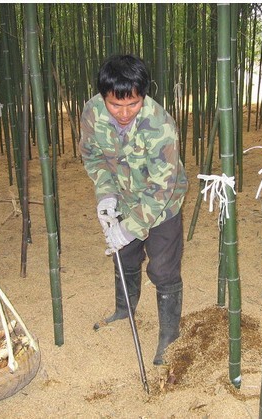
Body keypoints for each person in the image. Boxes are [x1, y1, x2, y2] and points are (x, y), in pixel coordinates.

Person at [79, 54, 188, 365]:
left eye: (133, 104)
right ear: (104, 96)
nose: (124, 113)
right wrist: (106, 195)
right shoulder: (92, 113)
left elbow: (161, 188)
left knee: (163, 268)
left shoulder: (160, 126)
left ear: (144, 94)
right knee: (124, 255)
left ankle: (169, 333)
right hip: (124, 197)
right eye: (116, 105)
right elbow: (93, 156)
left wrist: (130, 228)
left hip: (163, 203)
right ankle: (124, 309)